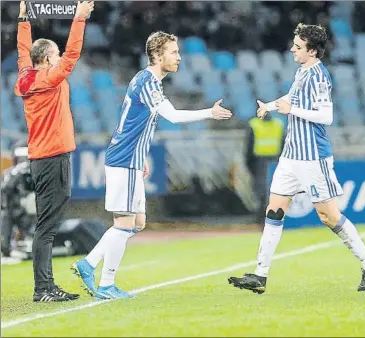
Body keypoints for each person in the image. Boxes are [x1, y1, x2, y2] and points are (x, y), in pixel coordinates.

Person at [72, 31, 232, 300]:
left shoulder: (150, 82)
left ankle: (88, 264)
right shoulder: (148, 81)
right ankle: (104, 282)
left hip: (132, 159)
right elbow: (174, 117)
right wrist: (209, 112)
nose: (179, 57)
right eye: (173, 52)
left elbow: (137, 123)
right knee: (123, 223)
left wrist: (143, 155)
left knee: (137, 223)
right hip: (124, 160)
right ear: (158, 55)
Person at [228, 23, 365, 294]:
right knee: (274, 210)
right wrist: (271, 105)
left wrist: (293, 110)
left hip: (313, 158)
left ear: (312, 51)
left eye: (298, 47)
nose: (292, 49)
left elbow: (326, 116)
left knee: (329, 216)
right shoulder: (302, 72)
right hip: (290, 156)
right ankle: (260, 275)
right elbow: (291, 98)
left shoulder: (320, 77)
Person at [14, 1, 94, 302]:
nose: (60, 59)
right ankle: (43, 288)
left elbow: (23, 49)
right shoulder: (48, 79)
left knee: (46, 225)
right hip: (53, 158)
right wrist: (79, 19)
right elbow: (72, 55)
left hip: (41, 158)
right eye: (55, 56)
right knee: (47, 227)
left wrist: (23, 18)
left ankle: (45, 286)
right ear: (47, 59)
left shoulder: (27, 75)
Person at [246, 113, 285, 222]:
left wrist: (249, 166)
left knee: (261, 191)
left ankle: (261, 217)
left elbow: (248, 147)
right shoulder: (278, 124)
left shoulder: (254, 124)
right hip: (276, 161)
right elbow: (284, 144)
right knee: (275, 190)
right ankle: (274, 215)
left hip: (260, 162)